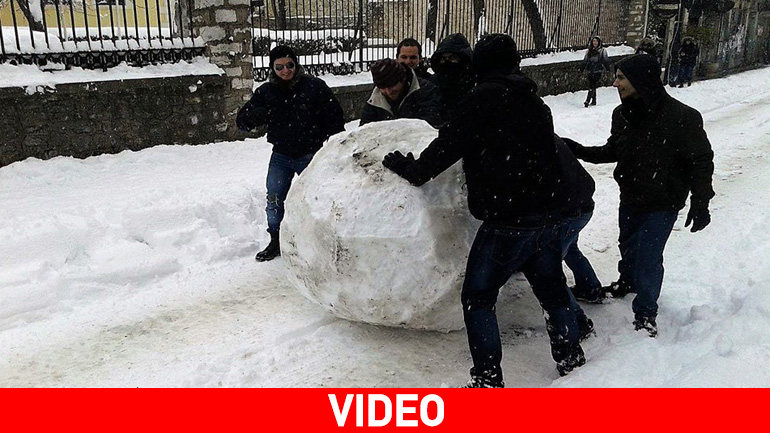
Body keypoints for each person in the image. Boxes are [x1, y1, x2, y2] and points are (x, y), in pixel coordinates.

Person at [382, 34, 587, 387]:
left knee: (478, 298)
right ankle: (571, 354)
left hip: (508, 220)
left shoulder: (482, 99)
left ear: (480, 63)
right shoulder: (533, 100)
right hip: (547, 215)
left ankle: (488, 379)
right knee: (551, 289)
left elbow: (448, 146)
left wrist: (411, 168)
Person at [564, 54, 715, 337]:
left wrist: (701, 201)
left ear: (641, 80)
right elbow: (614, 150)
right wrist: (579, 150)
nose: (615, 83)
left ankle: (646, 314)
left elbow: (701, 161)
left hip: (663, 201)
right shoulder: (621, 115)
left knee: (648, 257)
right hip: (631, 196)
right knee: (628, 247)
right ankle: (628, 282)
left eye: (621, 77)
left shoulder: (682, 117)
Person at [236, 45, 345, 262]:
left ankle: (318, 240)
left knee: (317, 198)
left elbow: (335, 117)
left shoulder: (314, 86)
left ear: (296, 64)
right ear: (272, 68)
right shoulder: (266, 92)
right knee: (275, 199)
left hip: (311, 155)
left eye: (289, 65)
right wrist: (254, 116)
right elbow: (242, 121)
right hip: (281, 156)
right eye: (279, 67)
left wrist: (332, 142)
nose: (285, 70)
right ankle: (276, 240)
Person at [360, 58, 442, 128]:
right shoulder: (375, 98)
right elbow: (365, 129)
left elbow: (430, 123)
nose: (388, 92)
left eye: (392, 85)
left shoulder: (426, 91)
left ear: (403, 79)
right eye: (383, 88)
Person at [428, 33, 475, 124]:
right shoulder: (433, 83)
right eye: (443, 58)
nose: (447, 62)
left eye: (452, 58)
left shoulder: (473, 82)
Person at [579, 36, 611, 108]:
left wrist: (608, 69)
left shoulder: (602, 50)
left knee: (592, 84)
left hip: (597, 70)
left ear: (599, 42)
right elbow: (585, 60)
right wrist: (581, 69)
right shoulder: (589, 51)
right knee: (593, 84)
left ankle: (587, 100)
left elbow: (606, 60)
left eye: (596, 41)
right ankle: (594, 100)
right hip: (590, 70)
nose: (595, 43)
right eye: (593, 41)